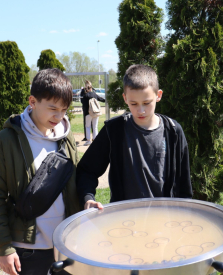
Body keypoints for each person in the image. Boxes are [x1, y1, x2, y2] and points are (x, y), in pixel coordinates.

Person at [0, 68, 81, 275]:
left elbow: (75, 181)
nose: (59, 116)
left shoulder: (65, 137)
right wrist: (4, 248)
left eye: (64, 110)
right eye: (53, 108)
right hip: (28, 249)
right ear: (33, 101)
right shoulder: (6, 141)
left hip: (64, 246)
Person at [77, 64, 193, 210]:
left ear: (158, 95)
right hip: (125, 222)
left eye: (146, 103)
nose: (141, 110)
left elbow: (184, 185)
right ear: (125, 98)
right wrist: (87, 198)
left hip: (165, 222)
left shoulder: (174, 131)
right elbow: (87, 170)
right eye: (133, 103)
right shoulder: (114, 130)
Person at [81, 81, 105, 146]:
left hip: (88, 113)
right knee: (95, 127)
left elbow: (83, 103)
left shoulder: (85, 95)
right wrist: (107, 100)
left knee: (88, 127)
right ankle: (95, 140)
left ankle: (88, 141)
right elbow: (100, 99)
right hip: (96, 112)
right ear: (91, 87)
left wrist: (82, 91)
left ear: (86, 88)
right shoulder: (94, 94)